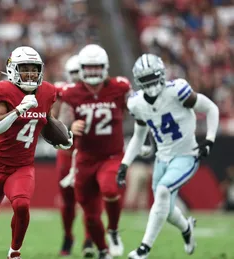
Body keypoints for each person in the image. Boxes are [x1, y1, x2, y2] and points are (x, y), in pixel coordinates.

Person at [0, 46, 73, 259]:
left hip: (22, 165)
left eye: (34, 69)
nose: (31, 73)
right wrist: (19, 110)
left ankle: (14, 252)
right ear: (13, 69)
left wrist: (61, 137)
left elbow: (46, 120)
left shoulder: (46, 92)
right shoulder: (0, 90)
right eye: (25, 68)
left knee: (22, 204)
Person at [116, 53, 219, 259]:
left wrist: (209, 139)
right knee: (167, 209)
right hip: (161, 159)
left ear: (162, 75)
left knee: (162, 192)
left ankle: (144, 249)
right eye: (146, 80)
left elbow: (210, 108)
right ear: (139, 82)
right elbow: (138, 136)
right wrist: (125, 164)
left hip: (186, 156)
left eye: (153, 77)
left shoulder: (177, 91)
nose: (151, 84)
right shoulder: (137, 104)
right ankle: (187, 229)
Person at [59, 44, 131, 259]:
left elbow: (137, 111)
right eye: (88, 68)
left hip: (111, 155)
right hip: (84, 158)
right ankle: (102, 250)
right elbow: (62, 122)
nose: (92, 72)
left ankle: (114, 230)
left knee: (109, 190)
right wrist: (70, 128)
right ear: (82, 68)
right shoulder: (71, 92)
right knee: (90, 214)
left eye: (96, 67)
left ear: (105, 67)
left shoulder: (119, 87)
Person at [54, 54, 94, 257]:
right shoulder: (61, 91)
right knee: (67, 199)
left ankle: (89, 238)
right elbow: (53, 120)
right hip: (67, 151)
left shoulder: (98, 93)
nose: (78, 78)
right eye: (74, 74)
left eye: (81, 73)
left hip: (89, 152)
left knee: (88, 198)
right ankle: (68, 235)